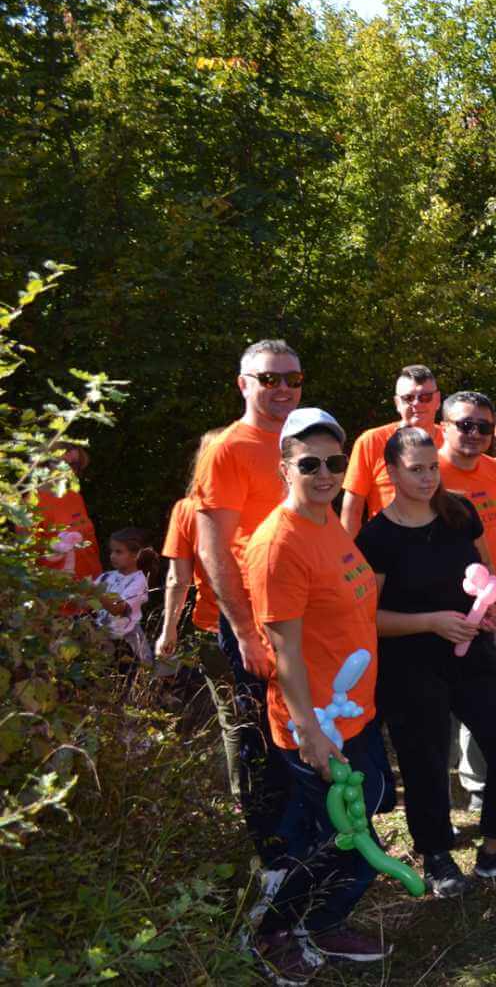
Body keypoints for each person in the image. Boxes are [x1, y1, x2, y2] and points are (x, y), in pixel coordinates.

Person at [355, 426, 496, 898]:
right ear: (391, 471)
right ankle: (436, 855)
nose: (427, 478)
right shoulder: (376, 537)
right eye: (415, 469)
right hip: (410, 663)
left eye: (432, 468)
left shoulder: (458, 512)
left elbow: (483, 574)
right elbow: (366, 619)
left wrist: (490, 610)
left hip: (472, 652)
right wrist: (431, 622)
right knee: (426, 761)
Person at [243, 407, 387, 979]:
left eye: (334, 462)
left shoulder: (326, 522)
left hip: (353, 711)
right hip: (319, 725)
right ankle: (272, 933)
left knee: (336, 828)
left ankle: (321, 921)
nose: (325, 473)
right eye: (309, 464)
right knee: (346, 841)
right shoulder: (279, 544)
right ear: (284, 467)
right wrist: (308, 732)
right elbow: (284, 652)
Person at [193, 338, 304, 863]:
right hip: (253, 622)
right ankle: (271, 857)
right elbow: (213, 550)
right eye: (269, 379)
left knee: (300, 727)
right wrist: (243, 633)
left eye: (292, 379)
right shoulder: (228, 449)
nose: (283, 388)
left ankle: (305, 841)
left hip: (301, 615)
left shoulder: (299, 442)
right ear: (243, 384)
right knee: (261, 740)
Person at [437, 390, 496, 806]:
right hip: (442, 613)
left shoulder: (494, 470)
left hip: (493, 609)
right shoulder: (427, 472)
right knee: (439, 705)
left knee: (488, 697)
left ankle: (477, 784)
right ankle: (438, 793)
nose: (475, 433)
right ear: (443, 427)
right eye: (465, 425)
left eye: (483, 427)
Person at [339, 365, 440, 536]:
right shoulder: (371, 441)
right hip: (386, 545)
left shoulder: (453, 440)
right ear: (397, 403)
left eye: (425, 397)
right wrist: (348, 552)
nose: (417, 403)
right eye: (408, 398)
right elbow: (352, 509)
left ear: (437, 400)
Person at [157, 429, 225, 661]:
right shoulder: (269, 503)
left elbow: (178, 579)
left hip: (213, 624)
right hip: (267, 625)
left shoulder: (186, 509)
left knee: (221, 684)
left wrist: (169, 630)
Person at [94, 527, 158, 665]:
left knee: (135, 671)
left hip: (128, 640)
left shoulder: (139, 581)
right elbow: (85, 601)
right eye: (111, 551)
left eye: (118, 552)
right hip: (102, 636)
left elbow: (118, 609)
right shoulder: (107, 576)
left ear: (136, 555)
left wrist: (95, 592)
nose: (112, 556)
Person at [35, 448, 102, 579]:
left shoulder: (75, 497)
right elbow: (28, 555)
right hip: (56, 586)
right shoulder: (31, 503)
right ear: (45, 463)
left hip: (91, 581)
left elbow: (90, 540)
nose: (68, 468)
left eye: (74, 464)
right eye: (63, 462)